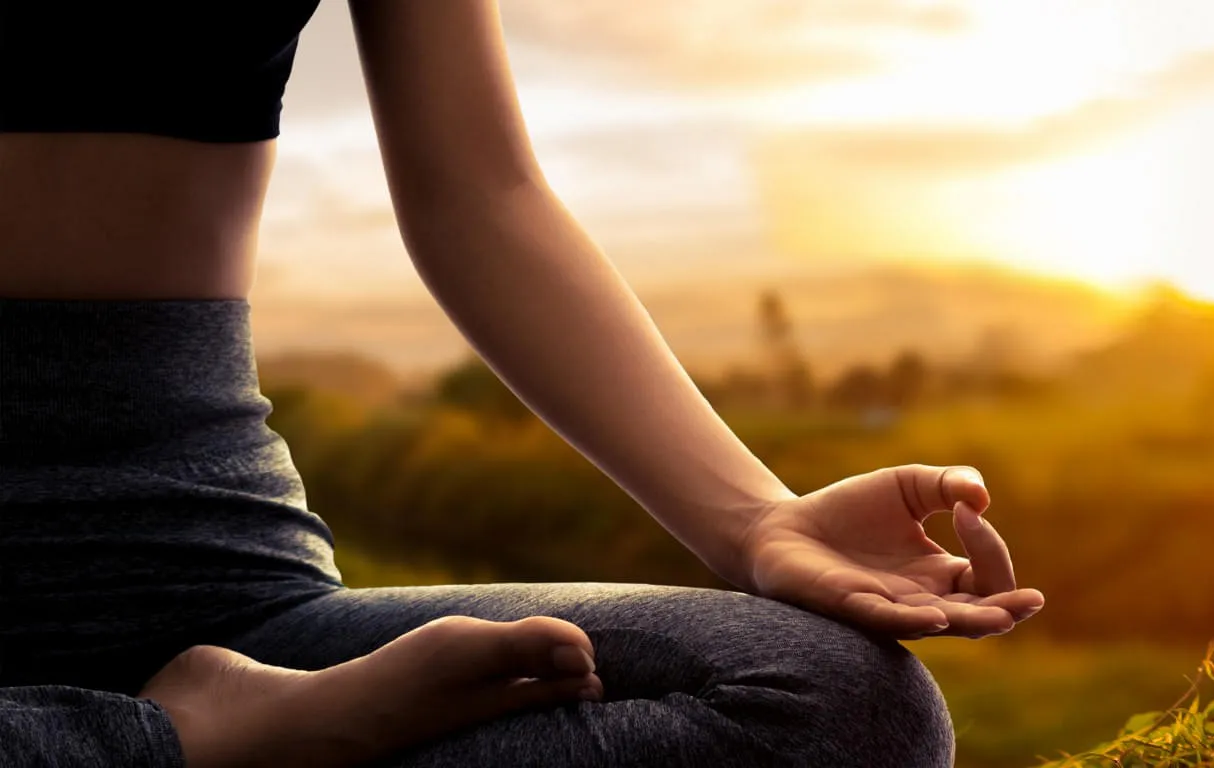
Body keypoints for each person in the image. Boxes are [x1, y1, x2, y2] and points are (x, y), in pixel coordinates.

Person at [0, 1, 1044, 765]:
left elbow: (481, 194)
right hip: (183, 695)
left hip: (211, 574)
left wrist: (756, 522)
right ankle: (170, 742)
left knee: (829, 701)